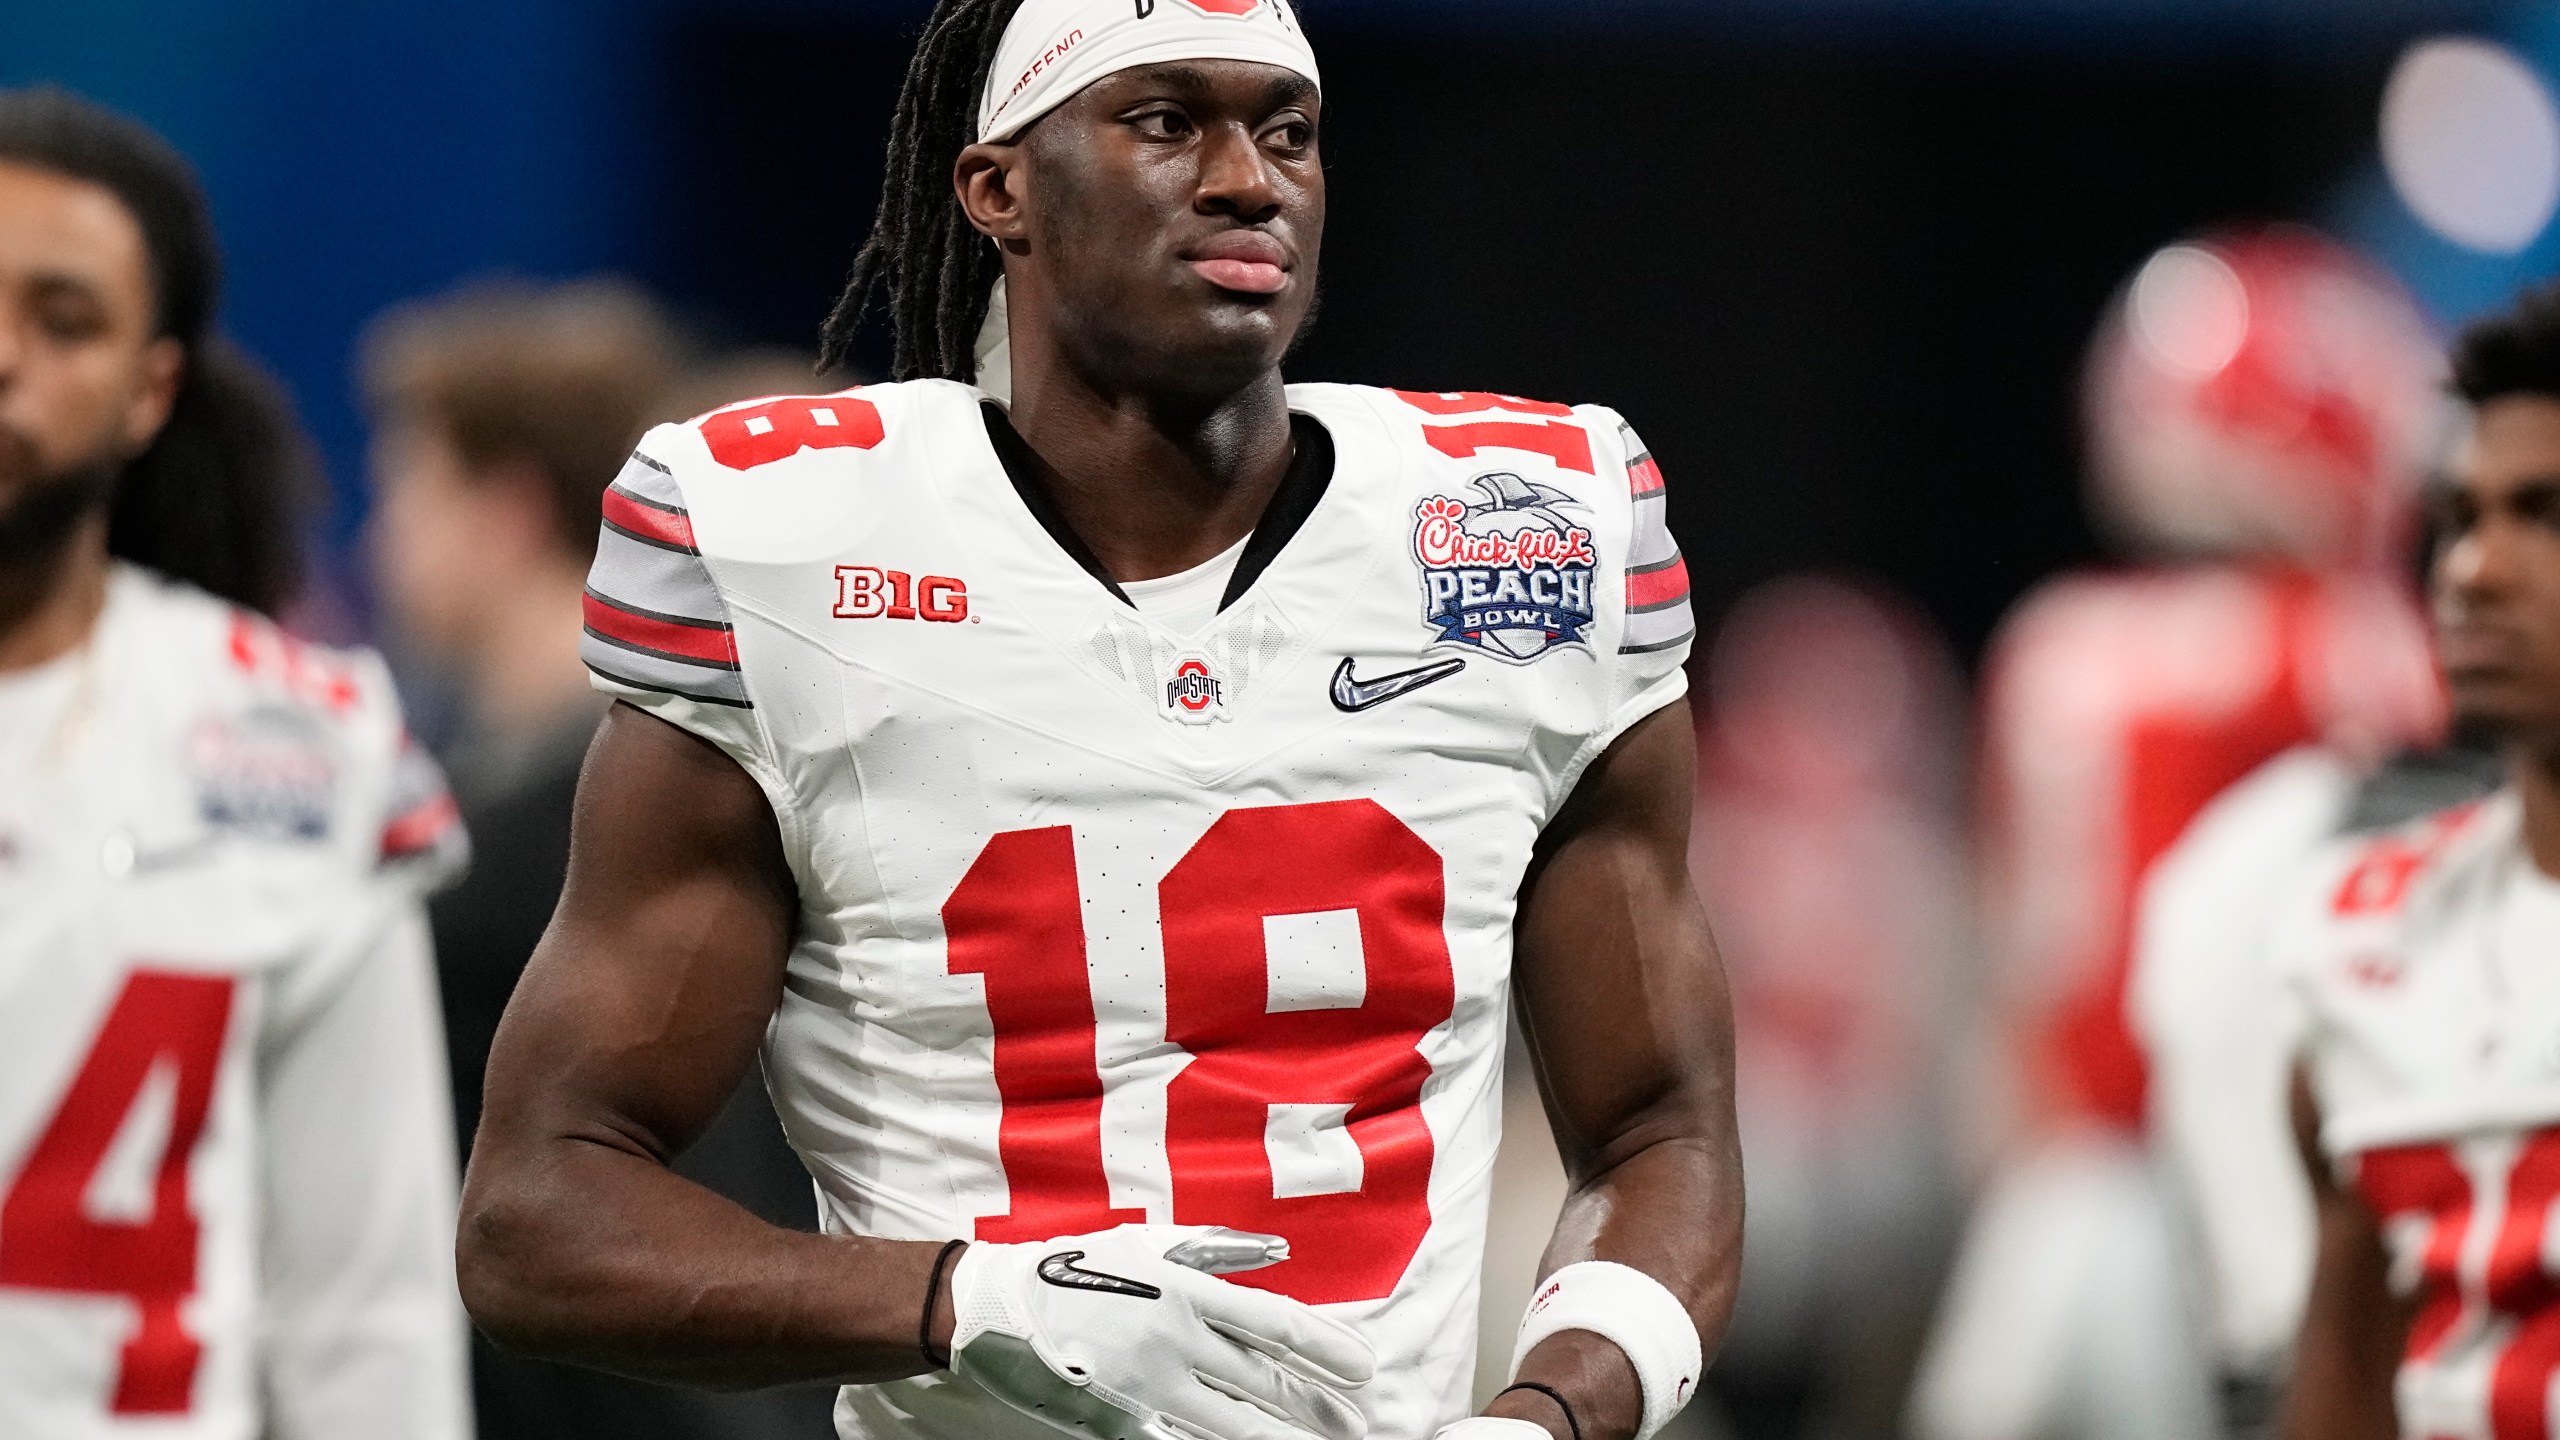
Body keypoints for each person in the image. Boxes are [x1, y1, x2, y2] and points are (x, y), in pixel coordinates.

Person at [453, 3, 1745, 1439]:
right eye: (1166, 121)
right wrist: (973, 1304)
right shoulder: (791, 548)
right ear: (998, 187)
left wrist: (1552, 1417)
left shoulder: (1520, 530)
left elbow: (1662, 1130)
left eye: (1287, 130)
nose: (1248, 176)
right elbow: (535, 1218)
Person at [1913, 229, 2447, 1440]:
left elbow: (2011, 986)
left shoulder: (2063, 649)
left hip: (2057, 1196)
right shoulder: (2362, 654)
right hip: (2256, 1197)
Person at [0, 87, 470, 1438]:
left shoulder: (299, 740)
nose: (2, 355)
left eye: (65, 317)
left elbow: (364, 1300)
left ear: (151, 387)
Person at [364, 281, 833, 1440]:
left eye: (407, 490)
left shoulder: (578, 812)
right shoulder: (562, 779)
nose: (380, 539)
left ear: (506, 508)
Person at [2281, 281, 2560, 1440]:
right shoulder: (2363, 929)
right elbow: (2343, 1377)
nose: (2473, 572)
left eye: (2543, 513)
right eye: (2460, 517)